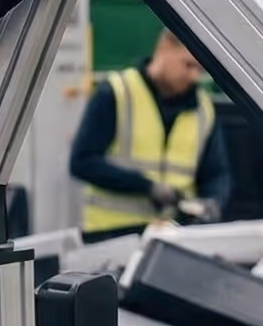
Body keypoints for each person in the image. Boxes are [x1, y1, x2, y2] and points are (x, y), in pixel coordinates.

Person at [70, 29, 232, 237]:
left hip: (172, 236)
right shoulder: (117, 93)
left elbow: (217, 173)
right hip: (112, 236)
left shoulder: (203, 108)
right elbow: (82, 162)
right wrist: (147, 187)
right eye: (188, 64)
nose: (193, 76)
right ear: (164, 47)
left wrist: (214, 201)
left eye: (200, 70)